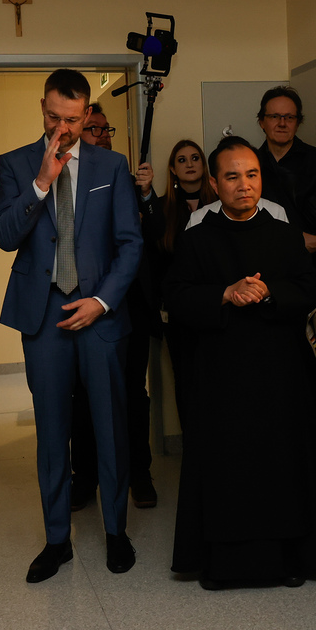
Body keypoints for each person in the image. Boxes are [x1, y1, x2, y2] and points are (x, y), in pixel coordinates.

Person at [164, 136, 316, 589]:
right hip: (219, 375)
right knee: (228, 468)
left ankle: (289, 559)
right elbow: (177, 297)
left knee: (283, 465)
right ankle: (225, 565)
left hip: (280, 372)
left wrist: (268, 292)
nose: (244, 185)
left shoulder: (284, 234)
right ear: (214, 183)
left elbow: (308, 287)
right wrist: (225, 293)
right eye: (232, 177)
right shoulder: (196, 238)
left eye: (252, 175)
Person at [0, 70, 143, 582]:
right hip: (44, 316)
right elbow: (4, 236)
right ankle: (57, 539)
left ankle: (116, 531)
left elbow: (130, 244)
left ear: (87, 115)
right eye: (55, 117)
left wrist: (101, 301)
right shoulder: (15, 163)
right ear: (43, 108)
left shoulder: (111, 165)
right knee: (52, 432)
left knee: (110, 426)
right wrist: (41, 182)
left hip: (98, 313)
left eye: (74, 120)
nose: (64, 128)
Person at [68, 104, 158, 510]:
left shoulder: (123, 173)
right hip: (82, 302)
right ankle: (85, 478)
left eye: (106, 129)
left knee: (132, 393)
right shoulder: (68, 177)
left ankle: (140, 474)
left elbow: (150, 237)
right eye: (93, 129)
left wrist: (145, 197)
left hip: (128, 303)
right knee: (82, 395)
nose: (102, 135)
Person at [140, 139, 216, 424]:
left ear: (204, 165)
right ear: (172, 169)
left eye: (195, 158)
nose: (189, 164)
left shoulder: (221, 205)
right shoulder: (161, 209)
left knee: (218, 377)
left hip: (217, 306)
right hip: (178, 312)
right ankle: (192, 441)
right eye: (182, 160)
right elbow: (154, 260)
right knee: (186, 379)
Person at [255, 86, 316, 255]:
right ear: (262, 122)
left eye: (289, 117)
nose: (282, 123)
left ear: (298, 123)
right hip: (265, 258)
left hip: (313, 260)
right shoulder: (251, 166)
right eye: (274, 117)